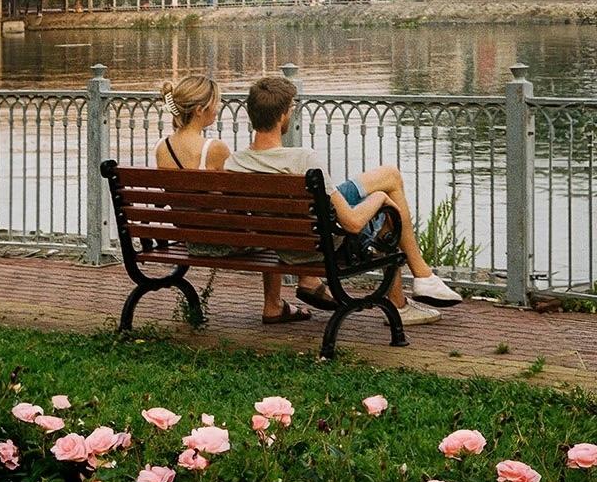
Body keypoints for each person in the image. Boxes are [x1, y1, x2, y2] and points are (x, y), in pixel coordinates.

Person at [224, 77, 463, 326]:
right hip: (324, 244)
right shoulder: (304, 160)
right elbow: (351, 224)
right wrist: (379, 199)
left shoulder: (234, 163)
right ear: (284, 115)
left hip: (285, 239)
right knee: (388, 199)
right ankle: (407, 294)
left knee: (389, 175)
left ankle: (423, 275)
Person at [154, 74, 313, 324]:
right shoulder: (214, 149)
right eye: (215, 104)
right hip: (225, 244)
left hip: (192, 239)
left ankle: (304, 283)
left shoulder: (162, 147)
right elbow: (239, 199)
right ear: (199, 110)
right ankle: (277, 302)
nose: (218, 109)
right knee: (274, 220)